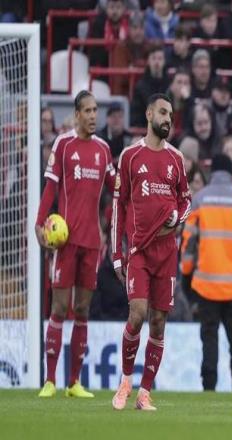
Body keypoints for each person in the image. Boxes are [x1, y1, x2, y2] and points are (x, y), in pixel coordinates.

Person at [111, 93, 191, 411]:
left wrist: (177, 217)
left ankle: (144, 393)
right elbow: (119, 207)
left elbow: (186, 200)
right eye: (162, 112)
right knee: (137, 314)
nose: (167, 119)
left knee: (158, 323)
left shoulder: (176, 159)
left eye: (170, 114)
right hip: (139, 251)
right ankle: (126, 381)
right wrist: (117, 254)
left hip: (167, 252)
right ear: (148, 114)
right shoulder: (130, 156)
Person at [36, 91, 116, 398]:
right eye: (88, 110)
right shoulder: (64, 145)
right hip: (65, 242)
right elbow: (50, 189)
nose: (94, 115)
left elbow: (116, 189)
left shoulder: (103, 149)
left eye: (96, 110)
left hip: (92, 243)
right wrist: (39, 223)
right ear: (77, 114)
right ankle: (50, 381)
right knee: (58, 308)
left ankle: (74, 383)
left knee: (82, 310)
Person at [181, 154, 232, 392]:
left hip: (206, 284)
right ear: (231, 173)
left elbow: (188, 243)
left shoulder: (200, 199)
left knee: (209, 339)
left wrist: (187, 273)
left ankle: (209, 388)